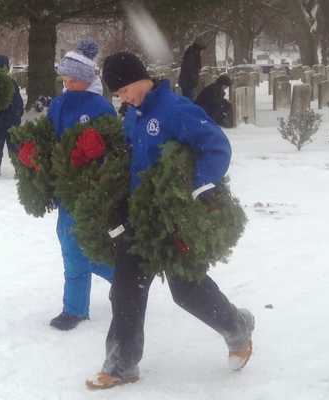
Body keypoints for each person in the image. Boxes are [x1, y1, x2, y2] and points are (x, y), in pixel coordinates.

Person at [85, 52, 254, 389]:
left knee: (187, 291)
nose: (122, 99)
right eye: (117, 95)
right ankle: (121, 366)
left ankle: (238, 330)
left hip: (172, 219)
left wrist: (203, 183)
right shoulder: (134, 116)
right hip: (140, 218)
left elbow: (216, 144)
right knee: (125, 291)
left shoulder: (175, 110)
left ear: (139, 79)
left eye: (123, 91)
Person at [46, 39, 114, 330]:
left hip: (89, 188)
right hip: (64, 186)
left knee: (77, 245)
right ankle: (125, 278)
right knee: (69, 240)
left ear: (86, 79)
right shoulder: (59, 103)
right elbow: (49, 136)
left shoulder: (100, 106)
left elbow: (114, 145)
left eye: (73, 78)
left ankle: (76, 308)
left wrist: (95, 153)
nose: (67, 82)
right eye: (64, 78)